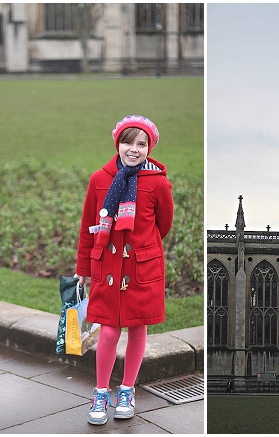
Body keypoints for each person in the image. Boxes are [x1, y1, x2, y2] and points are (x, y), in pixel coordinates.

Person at [75, 115, 174, 425]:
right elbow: (86, 228)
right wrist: (83, 268)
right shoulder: (99, 179)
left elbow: (164, 224)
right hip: (107, 267)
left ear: (149, 148)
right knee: (107, 333)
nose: (134, 149)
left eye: (141, 144)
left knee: (137, 329)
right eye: (128, 142)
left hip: (141, 269)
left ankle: (127, 390)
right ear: (117, 144)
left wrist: (141, 248)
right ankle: (101, 392)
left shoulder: (158, 182)